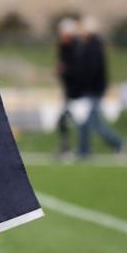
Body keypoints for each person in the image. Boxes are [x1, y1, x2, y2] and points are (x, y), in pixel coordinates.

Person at [77, 17, 127, 158]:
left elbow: (92, 71)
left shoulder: (93, 47)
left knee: (93, 122)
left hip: (92, 91)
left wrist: (84, 86)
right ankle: (84, 150)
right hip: (91, 90)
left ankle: (119, 143)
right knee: (85, 122)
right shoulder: (91, 45)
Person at [54, 17, 82, 159]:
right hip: (69, 91)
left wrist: (63, 70)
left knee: (68, 121)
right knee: (65, 121)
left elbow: (77, 70)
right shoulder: (65, 47)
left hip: (76, 92)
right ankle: (68, 148)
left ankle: (77, 149)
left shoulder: (75, 48)